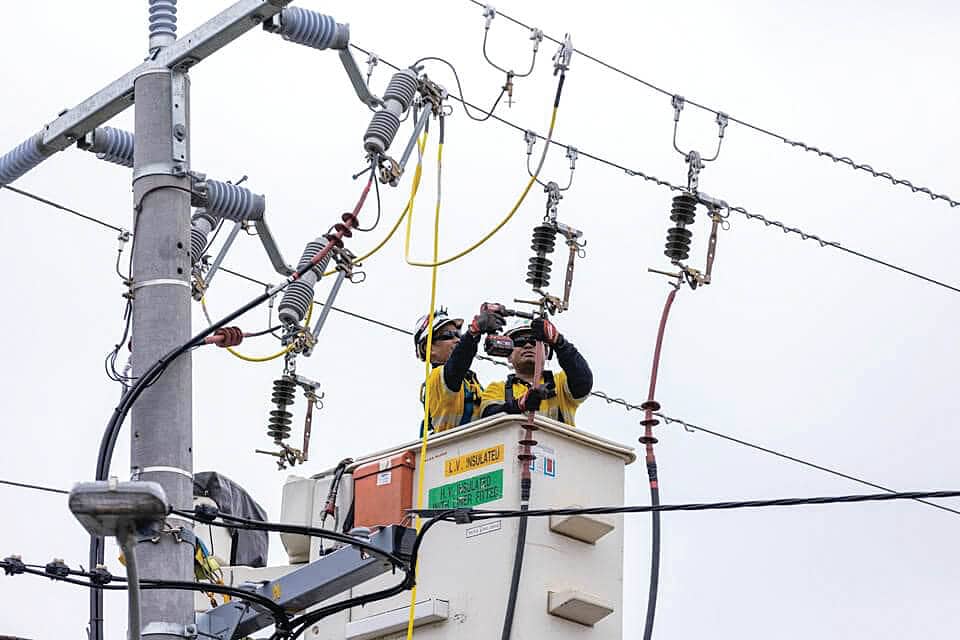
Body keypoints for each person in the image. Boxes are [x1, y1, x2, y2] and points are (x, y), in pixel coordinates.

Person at [479, 317, 592, 427]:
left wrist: (559, 341)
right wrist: (519, 404)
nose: (528, 345)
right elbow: (488, 417)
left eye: (534, 341)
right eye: (519, 342)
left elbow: (583, 381)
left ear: (546, 352)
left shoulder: (560, 383)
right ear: (508, 355)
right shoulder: (497, 389)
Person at [413, 304, 506, 433]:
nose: (457, 339)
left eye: (458, 335)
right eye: (448, 335)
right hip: (451, 450)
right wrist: (474, 331)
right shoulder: (436, 379)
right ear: (429, 348)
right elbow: (457, 365)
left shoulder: (472, 384)